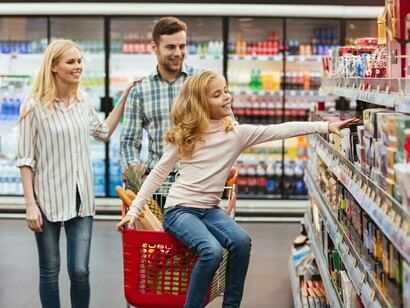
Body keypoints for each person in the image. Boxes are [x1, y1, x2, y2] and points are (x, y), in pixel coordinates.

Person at [116, 70, 358, 308]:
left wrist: (326, 127)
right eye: (217, 94)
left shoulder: (236, 134)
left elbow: (279, 129)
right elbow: (158, 173)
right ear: (201, 103)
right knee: (210, 251)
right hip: (180, 211)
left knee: (241, 241)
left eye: (226, 91)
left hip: (210, 210)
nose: (227, 97)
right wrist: (134, 210)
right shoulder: (186, 136)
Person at [16, 39, 139, 308]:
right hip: (46, 199)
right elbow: (26, 159)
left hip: (82, 199)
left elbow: (103, 133)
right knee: (49, 271)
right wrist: (29, 205)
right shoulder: (33, 106)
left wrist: (125, 96)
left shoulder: (82, 101)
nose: (78, 67)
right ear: (54, 67)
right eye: (71, 62)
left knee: (80, 271)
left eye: (80, 61)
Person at [120, 16, 202, 178]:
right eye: (170, 47)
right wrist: (133, 164)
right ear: (154, 47)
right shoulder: (140, 91)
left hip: (197, 181)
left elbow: (226, 127)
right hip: (157, 184)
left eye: (182, 46)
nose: (178, 53)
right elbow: (129, 141)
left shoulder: (202, 82)